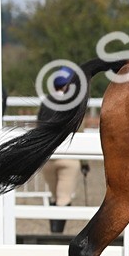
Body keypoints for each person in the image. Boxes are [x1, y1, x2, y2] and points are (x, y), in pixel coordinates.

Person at [40, 68, 82, 233]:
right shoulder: (74, 102)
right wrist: (85, 163)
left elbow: (39, 127)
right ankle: (57, 235)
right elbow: (80, 132)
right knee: (64, 197)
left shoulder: (46, 102)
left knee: (53, 196)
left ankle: (53, 231)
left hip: (48, 157)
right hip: (68, 157)